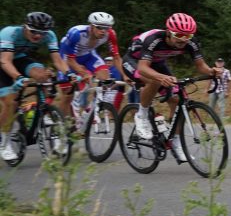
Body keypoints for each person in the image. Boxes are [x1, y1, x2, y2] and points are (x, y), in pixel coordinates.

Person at [121, 13, 221, 163]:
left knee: (177, 98)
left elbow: (201, 66)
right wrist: (161, 77)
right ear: (168, 32)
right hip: (135, 62)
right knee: (154, 81)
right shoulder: (154, 39)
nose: (183, 39)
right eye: (179, 35)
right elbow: (143, 68)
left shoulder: (190, 42)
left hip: (157, 63)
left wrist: (212, 72)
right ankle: (142, 115)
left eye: (188, 36)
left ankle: (175, 141)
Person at [0, 12, 78, 160]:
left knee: (43, 75)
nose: (38, 36)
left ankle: (44, 110)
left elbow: (57, 61)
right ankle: (4, 143)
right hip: (3, 61)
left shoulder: (50, 35)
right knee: (10, 102)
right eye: (34, 32)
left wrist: (69, 74)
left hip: (20, 59)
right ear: (25, 26)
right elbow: (5, 61)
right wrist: (19, 78)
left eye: (42, 33)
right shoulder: (10, 33)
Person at [56, 12, 124, 119]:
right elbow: (70, 60)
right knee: (67, 94)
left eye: (107, 28)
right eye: (100, 27)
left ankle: (91, 108)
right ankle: (59, 124)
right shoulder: (76, 33)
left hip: (88, 55)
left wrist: (125, 75)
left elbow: (116, 57)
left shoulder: (110, 34)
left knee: (105, 78)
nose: (103, 31)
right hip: (68, 58)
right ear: (91, 26)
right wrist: (84, 73)